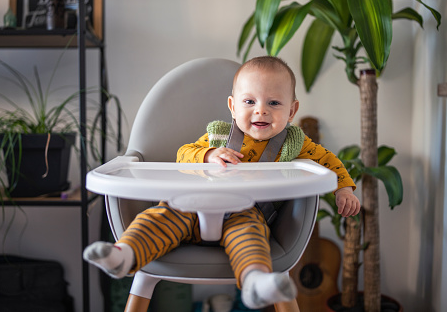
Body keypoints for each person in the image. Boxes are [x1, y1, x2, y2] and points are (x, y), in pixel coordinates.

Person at [83, 56, 360, 309]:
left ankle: (255, 282)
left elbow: (328, 162)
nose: (260, 111)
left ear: (291, 111)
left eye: (273, 103)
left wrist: (344, 188)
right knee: (160, 217)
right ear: (232, 106)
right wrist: (209, 154)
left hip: (246, 214)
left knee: (251, 238)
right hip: (191, 207)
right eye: (249, 102)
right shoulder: (218, 136)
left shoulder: (294, 143)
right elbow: (183, 154)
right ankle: (124, 255)